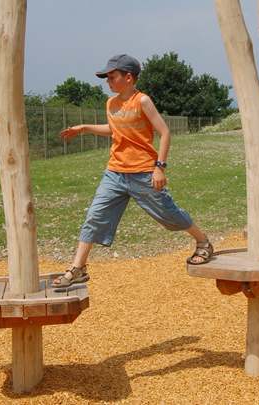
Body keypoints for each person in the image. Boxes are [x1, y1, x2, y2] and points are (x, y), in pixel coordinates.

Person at [52, 54, 213, 287]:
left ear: (128, 77)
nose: (108, 81)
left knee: (168, 213)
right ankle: (78, 267)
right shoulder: (111, 103)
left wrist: (160, 167)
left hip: (144, 173)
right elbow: (114, 129)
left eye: (112, 76)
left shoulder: (142, 101)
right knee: (95, 217)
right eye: (107, 77)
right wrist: (84, 128)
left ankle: (203, 242)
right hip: (114, 173)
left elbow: (165, 133)